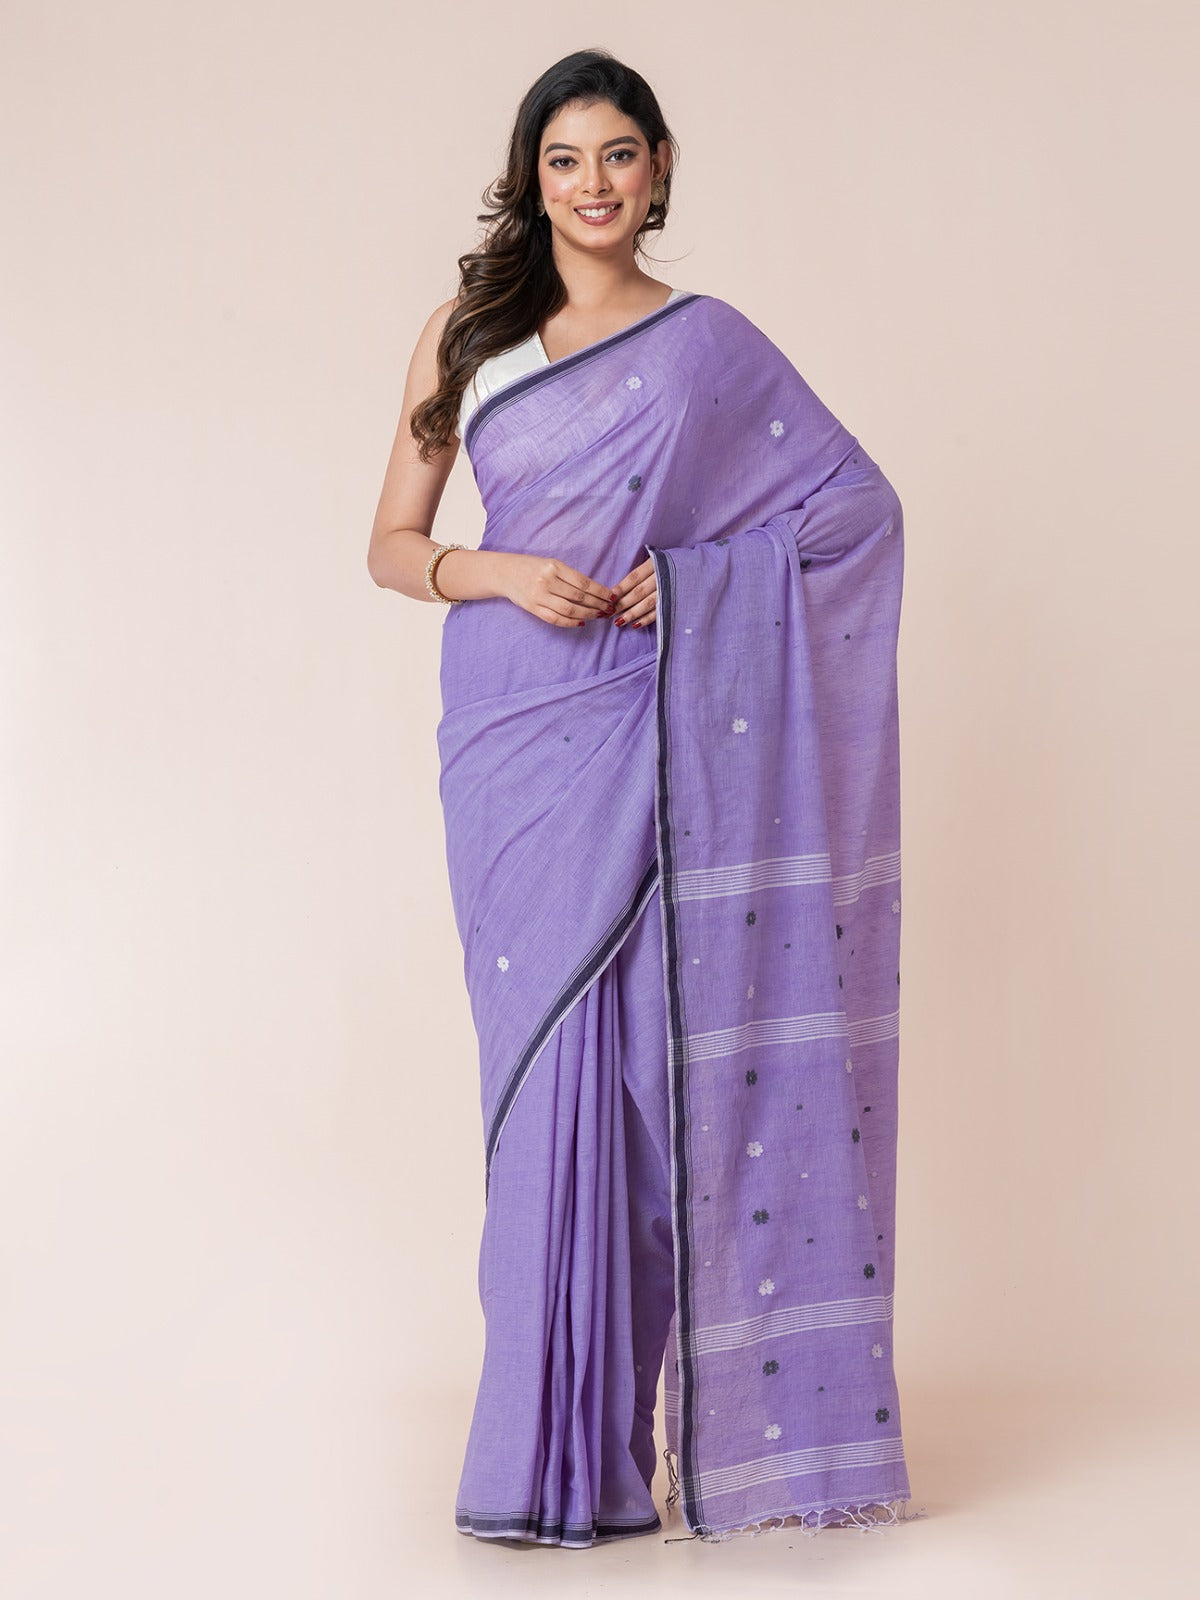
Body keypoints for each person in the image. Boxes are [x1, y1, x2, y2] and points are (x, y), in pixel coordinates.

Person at [367, 48, 922, 1549]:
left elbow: (855, 513)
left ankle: (674, 1437)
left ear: (659, 168)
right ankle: (550, 1458)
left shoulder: (706, 345)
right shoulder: (467, 337)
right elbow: (392, 544)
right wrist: (498, 571)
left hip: (658, 721)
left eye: (619, 155)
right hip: (514, 733)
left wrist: (692, 586)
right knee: (545, 1075)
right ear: (530, 178)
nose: (593, 185)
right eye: (565, 160)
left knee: (651, 1069)